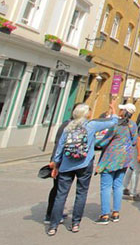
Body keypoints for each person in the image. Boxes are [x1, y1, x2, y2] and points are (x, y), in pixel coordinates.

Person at [47, 101, 118, 236]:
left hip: (66, 165)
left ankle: (53, 226)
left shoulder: (68, 127)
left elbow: (60, 148)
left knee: (61, 195)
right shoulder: (91, 125)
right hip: (85, 164)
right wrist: (113, 109)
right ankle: (75, 223)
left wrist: (55, 164)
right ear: (87, 114)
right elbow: (113, 122)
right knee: (81, 193)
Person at [95, 103, 140, 224]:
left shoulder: (116, 124)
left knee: (105, 186)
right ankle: (116, 212)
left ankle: (105, 214)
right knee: (118, 185)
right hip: (124, 158)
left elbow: (104, 140)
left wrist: (97, 144)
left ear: (124, 111)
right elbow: (134, 141)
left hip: (110, 158)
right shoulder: (133, 125)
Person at [43, 115, 71, 224]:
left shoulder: (73, 125)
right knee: (58, 189)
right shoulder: (67, 125)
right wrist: (54, 161)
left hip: (66, 162)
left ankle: (55, 212)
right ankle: (50, 215)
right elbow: (58, 144)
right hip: (61, 162)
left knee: (60, 189)